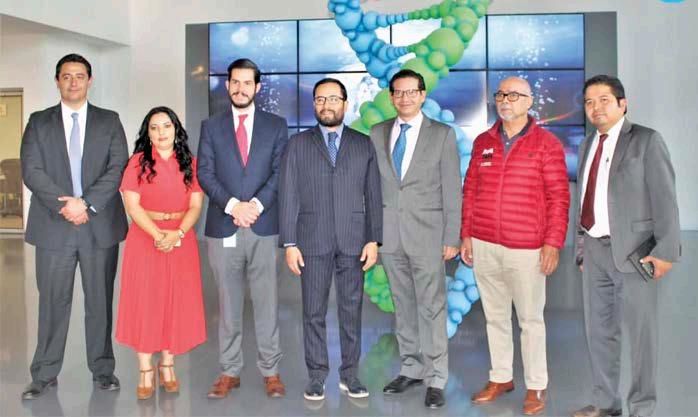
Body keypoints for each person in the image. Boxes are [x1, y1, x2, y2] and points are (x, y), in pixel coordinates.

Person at [20, 53, 129, 400]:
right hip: (54, 227)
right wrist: (66, 205)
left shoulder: (109, 121)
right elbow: (31, 169)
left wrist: (87, 203)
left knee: (100, 301)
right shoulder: (38, 122)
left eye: (79, 76)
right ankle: (44, 373)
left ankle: (103, 369)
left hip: (99, 226)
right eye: (66, 76)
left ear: (89, 80)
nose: (73, 82)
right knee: (52, 302)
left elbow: (118, 167)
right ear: (57, 81)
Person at [460, 76, 570, 415]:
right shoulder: (483, 142)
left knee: (530, 320)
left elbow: (559, 198)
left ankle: (536, 385)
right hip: (484, 244)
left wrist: (552, 243)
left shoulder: (546, 144)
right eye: (501, 95)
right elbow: (470, 190)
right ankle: (501, 378)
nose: (505, 100)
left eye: (514, 95)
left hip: (527, 248)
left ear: (529, 101)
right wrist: (466, 234)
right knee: (494, 318)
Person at [572, 75, 680, 417]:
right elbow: (584, 199)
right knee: (599, 333)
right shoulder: (587, 144)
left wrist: (666, 251)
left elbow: (665, 198)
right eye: (589, 102)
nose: (596, 108)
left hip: (636, 254)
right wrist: (581, 249)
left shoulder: (647, 140)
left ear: (623, 104)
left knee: (641, 338)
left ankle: (642, 408)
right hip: (594, 252)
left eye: (604, 100)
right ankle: (606, 404)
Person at [279, 78, 382, 401]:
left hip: (354, 241)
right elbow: (288, 194)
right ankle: (316, 375)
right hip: (312, 241)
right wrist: (289, 243)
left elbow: (374, 195)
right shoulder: (297, 144)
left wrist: (373, 240)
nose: (327, 105)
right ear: (314, 104)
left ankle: (350, 374)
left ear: (345, 104)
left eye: (334, 99)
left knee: (352, 311)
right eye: (321, 99)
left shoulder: (363, 144)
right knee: (313, 312)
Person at [197, 58, 289, 399]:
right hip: (224, 224)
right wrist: (234, 206)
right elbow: (205, 173)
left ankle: (271, 372)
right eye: (234, 82)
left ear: (257, 87)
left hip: (264, 225)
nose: (240, 88)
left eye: (247, 83)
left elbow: (280, 171)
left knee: (267, 303)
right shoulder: (211, 126)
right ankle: (229, 371)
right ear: (227, 85)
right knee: (228, 304)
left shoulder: (276, 126)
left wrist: (255, 206)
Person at [370, 69, 461, 409]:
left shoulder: (442, 134)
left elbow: (452, 189)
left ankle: (436, 377)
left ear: (423, 95)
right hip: (390, 236)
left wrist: (451, 235)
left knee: (432, 307)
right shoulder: (377, 132)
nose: (405, 98)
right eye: (399, 92)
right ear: (391, 96)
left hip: (429, 235)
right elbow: (372, 187)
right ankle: (411, 367)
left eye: (412, 92)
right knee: (403, 305)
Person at [115, 106, 206, 400]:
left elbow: (196, 205)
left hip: (181, 238)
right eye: (154, 128)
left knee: (174, 301)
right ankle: (145, 369)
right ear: (148, 133)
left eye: (166, 126)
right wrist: (158, 235)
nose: (161, 132)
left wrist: (177, 234)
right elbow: (132, 206)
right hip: (145, 239)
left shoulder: (190, 163)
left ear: (176, 129)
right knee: (146, 301)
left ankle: (167, 365)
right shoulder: (137, 163)